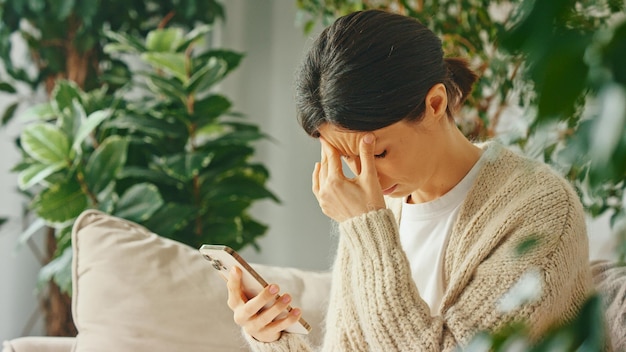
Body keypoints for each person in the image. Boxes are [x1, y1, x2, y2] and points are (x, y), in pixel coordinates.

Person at [225, 9, 592, 351]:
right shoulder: (376, 207)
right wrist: (274, 337)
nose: (365, 176)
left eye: (377, 153)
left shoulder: (541, 209)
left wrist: (366, 228)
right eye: (346, 158)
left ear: (435, 104)